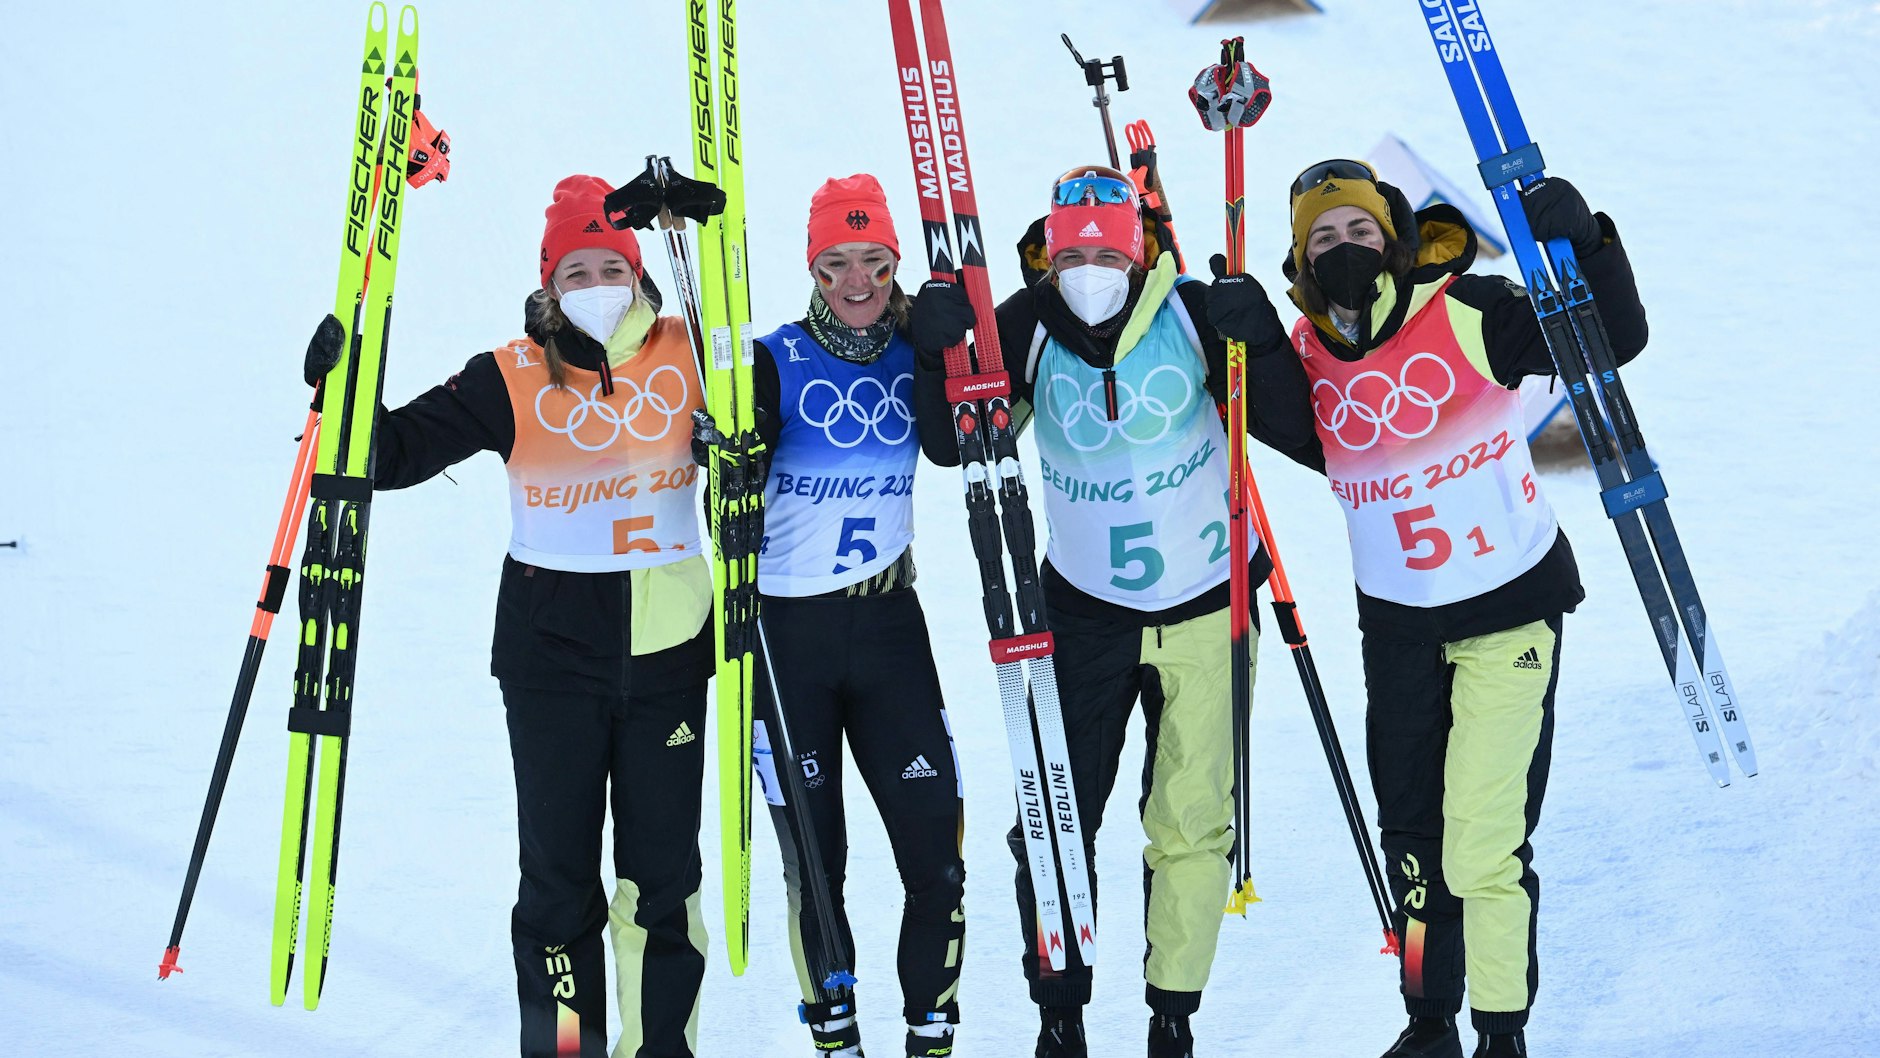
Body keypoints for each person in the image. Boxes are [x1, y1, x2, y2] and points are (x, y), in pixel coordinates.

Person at [1207, 159, 1649, 1058]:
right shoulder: (1306, 357)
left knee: (1483, 842)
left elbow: (1610, 338)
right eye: (1323, 240)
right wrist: (1234, 337)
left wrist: (1589, 245)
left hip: (1509, 613)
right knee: (1413, 840)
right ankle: (1429, 1026)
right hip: (1399, 630)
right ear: (1301, 263)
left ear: (1395, 239)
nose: (1344, 249)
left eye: (1359, 232)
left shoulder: (1467, 310)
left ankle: (1500, 1033)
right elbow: (1280, 423)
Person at [304, 174, 715, 1058]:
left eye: (613, 266)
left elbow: (786, 401)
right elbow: (392, 453)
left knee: (663, 885)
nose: (598, 285)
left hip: (671, 654)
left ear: (640, 274)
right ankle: (566, 1050)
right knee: (559, 887)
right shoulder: (511, 372)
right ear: (548, 285)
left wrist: (706, 231)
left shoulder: (696, 352)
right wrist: (342, 387)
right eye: (577, 272)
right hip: (550, 662)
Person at [910, 165, 1275, 1058]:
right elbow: (958, 447)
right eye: (1071, 250)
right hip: (1082, 610)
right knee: (1054, 814)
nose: (1089, 266)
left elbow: (1292, 427)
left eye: (1105, 248)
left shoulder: (1187, 310)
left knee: (1192, 819)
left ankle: (1172, 1015)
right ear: (1049, 253)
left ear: (1138, 248)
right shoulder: (1031, 325)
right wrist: (938, 355)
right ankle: (1059, 1010)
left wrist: (1258, 340)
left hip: (1207, 601)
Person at [728, 174, 965, 1058]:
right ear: (813, 269)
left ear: (894, 261)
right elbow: (706, 465)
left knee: (937, 857)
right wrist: (734, 456)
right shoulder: (773, 359)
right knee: (816, 869)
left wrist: (945, 354)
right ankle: (838, 1036)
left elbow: (952, 446)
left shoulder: (917, 349)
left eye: (872, 260)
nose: (856, 281)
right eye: (836, 264)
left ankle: (930, 1033)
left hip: (890, 629)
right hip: (787, 640)